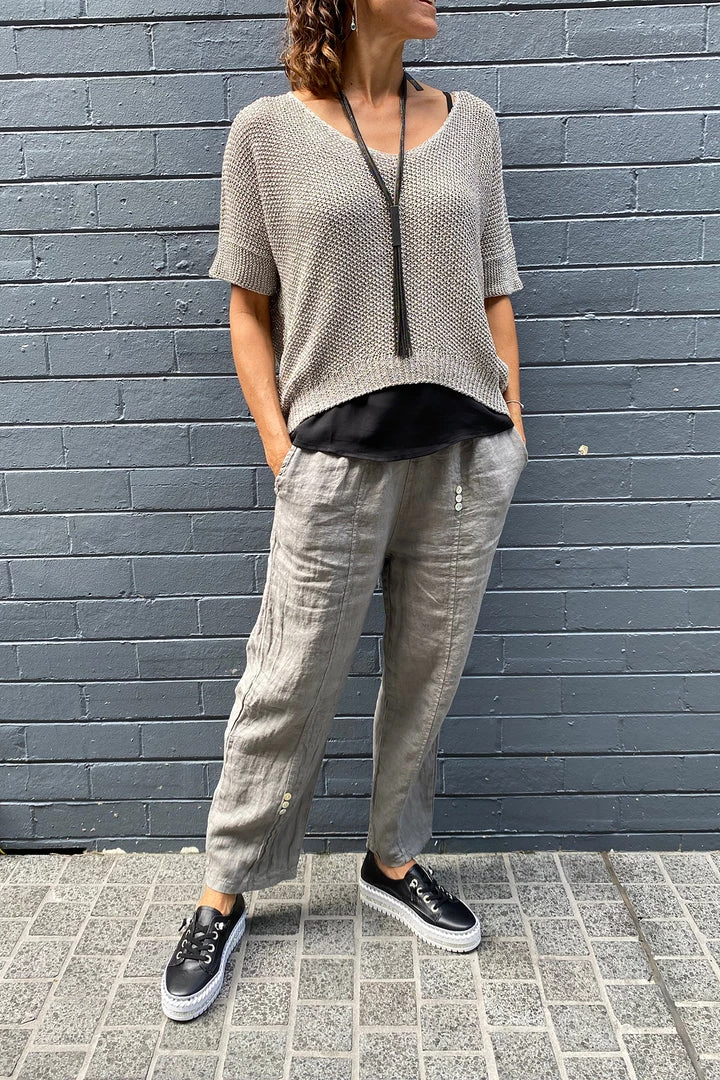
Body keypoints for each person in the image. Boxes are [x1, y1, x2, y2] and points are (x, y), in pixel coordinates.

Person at [161, 0, 528, 1023]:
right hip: (333, 458)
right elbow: (248, 306)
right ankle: (224, 889)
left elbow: (496, 285)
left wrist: (514, 422)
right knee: (287, 680)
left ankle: (391, 860)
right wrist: (280, 448)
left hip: (464, 454)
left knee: (427, 675)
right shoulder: (266, 135)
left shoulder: (474, 124)